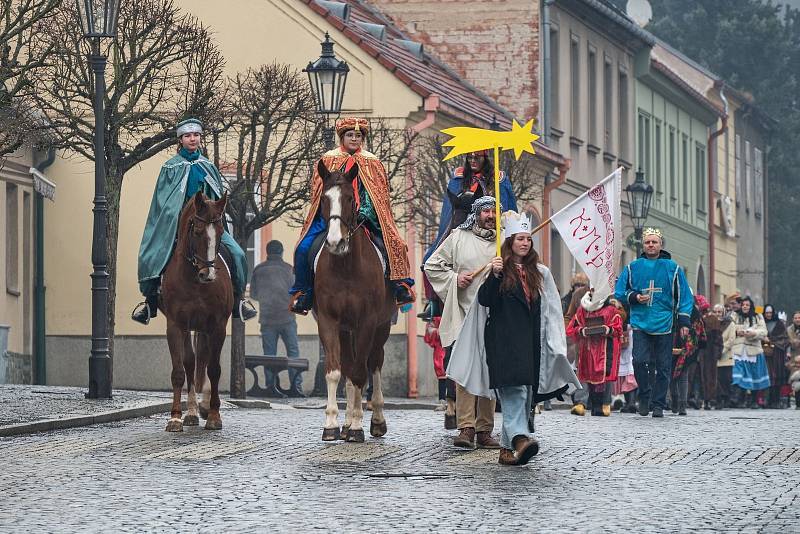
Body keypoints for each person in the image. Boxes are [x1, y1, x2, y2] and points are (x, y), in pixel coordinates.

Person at [469, 210, 579, 465]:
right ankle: (520, 437)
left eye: (528, 238)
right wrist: (495, 276)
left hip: (530, 343)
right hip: (504, 342)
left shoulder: (539, 272)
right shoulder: (498, 268)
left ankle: (507, 451)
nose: (525, 242)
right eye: (519, 238)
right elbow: (485, 300)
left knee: (525, 394)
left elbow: (550, 309)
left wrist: (554, 343)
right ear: (510, 242)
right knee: (514, 391)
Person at [133, 118, 257, 324]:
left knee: (237, 253)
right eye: (188, 136)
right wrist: (175, 215)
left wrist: (212, 213)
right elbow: (163, 201)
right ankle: (150, 301)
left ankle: (238, 301)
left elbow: (216, 196)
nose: (192, 139)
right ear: (180, 140)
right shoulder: (170, 168)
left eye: (196, 135)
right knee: (151, 255)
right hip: (177, 224)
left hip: (206, 222)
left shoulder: (208, 166)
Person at [289, 117, 414, 315]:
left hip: (364, 217)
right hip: (329, 217)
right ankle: (303, 292)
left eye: (358, 135)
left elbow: (379, 195)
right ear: (342, 137)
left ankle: (399, 286)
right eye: (350, 135)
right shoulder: (328, 159)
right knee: (303, 248)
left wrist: (365, 211)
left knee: (394, 244)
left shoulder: (372, 162)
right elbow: (318, 193)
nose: (354, 139)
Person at [424, 196, 502, 449]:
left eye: (494, 211)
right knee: (466, 372)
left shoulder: (504, 243)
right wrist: (454, 279)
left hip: (493, 316)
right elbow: (432, 266)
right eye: (486, 211)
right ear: (477, 213)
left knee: (489, 372)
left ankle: (484, 429)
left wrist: (504, 269)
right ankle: (466, 427)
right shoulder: (458, 237)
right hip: (464, 314)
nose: (490, 215)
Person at [614, 227, 693, 418]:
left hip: (664, 323)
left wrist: (683, 322)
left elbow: (684, 296)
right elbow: (619, 291)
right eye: (648, 242)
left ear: (660, 244)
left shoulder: (672, 268)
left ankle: (658, 403)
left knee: (664, 366)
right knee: (639, 361)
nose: (651, 245)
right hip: (641, 322)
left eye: (654, 242)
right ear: (644, 245)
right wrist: (634, 296)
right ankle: (645, 396)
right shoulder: (633, 267)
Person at [249, 240, 303, 398]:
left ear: (267, 252)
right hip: (287, 318)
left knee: (269, 355)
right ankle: (296, 387)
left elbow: (253, 294)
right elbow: (297, 292)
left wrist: (266, 300)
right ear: (281, 252)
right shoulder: (288, 270)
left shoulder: (258, 270)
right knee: (293, 353)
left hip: (267, 319)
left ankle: (271, 386)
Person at [566, 290, 624, 416]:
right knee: (587, 376)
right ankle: (586, 403)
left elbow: (618, 328)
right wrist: (581, 331)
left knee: (602, 376)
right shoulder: (582, 309)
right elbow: (572, 327)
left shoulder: (610, 309)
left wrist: (608, 329)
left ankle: (601, 405)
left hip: (604, 349)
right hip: (586, 348)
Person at [723, 296, 770, 407]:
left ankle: (753, 400)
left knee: (754, 375)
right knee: (737, 375)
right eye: (743, 305)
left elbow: (764, 332)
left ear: (751, 306)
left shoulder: (758, 317)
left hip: (753, 350)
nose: (745, 307)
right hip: (738, 350)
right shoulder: (734, 315)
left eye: (747, 305)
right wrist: (737, 331)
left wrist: (753, 333)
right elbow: (729, 328)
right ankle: (736, 398)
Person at [669, 299, 706, 415]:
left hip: (687, 348)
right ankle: (676, 401)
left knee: (681, 376)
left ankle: (681, 404)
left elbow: (700, 332)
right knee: (671, 375)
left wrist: (693, 344)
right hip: (672, 344)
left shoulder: (694, 312)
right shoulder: (671, 306)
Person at [762, 304, 789, 408]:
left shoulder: (779, 324)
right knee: (767, 376)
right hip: (765, 354)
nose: (768, 315)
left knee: (776, 377)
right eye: (766, 313)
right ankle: (766, 400)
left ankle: (776, 401)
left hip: (777, 354)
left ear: (773, 313)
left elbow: (785, 339)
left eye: (770, 312)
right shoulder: (761, 323)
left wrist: (773, 341)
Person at [700, 299, 723, 410]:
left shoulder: (713, 320)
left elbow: (718, 338)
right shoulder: (698, 318)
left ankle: (710, 399)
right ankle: (703, 399)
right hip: (701, 351)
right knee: (702, 377)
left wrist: (717, 352)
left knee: (710, 376)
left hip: (709, 351)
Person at [423, 316, 447, 411]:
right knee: (441, 372)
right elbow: (430, 330)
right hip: (441, 348)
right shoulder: (435, 315)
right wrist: (439, 331)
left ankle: (454, 402)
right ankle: (442, 400)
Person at [715, 303, 735, 408]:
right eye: (716, 312)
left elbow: (731, 340)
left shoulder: (730, 324)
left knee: (726, 379)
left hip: (726, 356)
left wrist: (721, 350)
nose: (718, 314)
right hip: (714, 357)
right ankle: (718, 399)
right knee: (717, 380)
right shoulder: (711, 323)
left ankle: (727, 399)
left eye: (719, 312)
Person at [784, 311, 800, 408]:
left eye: (799, 318)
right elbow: (788, 342)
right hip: (793, 358)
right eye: (796, 318)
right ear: (793, 319)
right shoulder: (789, 330)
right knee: (794, 379)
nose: (798, 320)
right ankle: (794, 401)